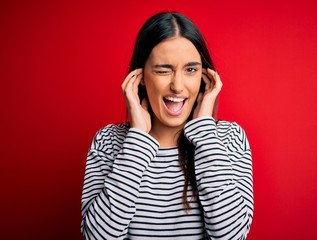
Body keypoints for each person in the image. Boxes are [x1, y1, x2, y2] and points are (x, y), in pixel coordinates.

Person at [81, 11, 253, 240]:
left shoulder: (229, 139)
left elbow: (231, 236)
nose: (178, 86)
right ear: (140, 75)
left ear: (205, 77)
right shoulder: (108, 141)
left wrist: (204, 130)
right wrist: (137, 139)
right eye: (163, 70)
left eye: (190, 70)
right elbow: (97, 237)